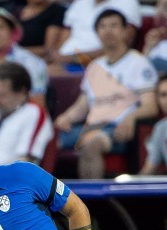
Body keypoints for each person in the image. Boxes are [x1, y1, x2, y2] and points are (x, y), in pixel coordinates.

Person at [55, 8, 157, 179]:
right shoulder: (95, 66)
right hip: (90, 126)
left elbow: (150, 106)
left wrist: (131, 117)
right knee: (49, 140)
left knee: (90, 142)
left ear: (126, 31)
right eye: (102, 26)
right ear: (96, 32)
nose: (108, 30)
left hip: (118, 129)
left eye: (113, 25)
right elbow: (82, 106)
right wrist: (65, 118)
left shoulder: (139, 63)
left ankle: (89, 196)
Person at [55, 0, 142, 67]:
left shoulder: (127, 3)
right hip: (64, 61)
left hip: (98, 64)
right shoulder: (79, 3)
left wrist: (74, 58)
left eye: (113, 25)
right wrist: (58, 57)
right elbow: (62, 42)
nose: (107, 29)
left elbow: (121, 45)